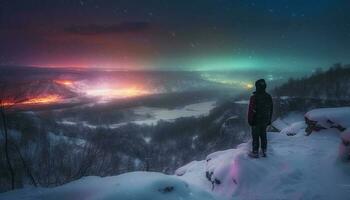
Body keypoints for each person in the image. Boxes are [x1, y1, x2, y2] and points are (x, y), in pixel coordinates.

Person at [248, 79, 273, 158]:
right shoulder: (268, 96)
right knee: (263, 135)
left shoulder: (254, 97)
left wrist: (250, 120)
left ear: (257, 86)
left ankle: (255, 152)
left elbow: (251, 110)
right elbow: (271, 109)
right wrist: (269, 120)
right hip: (265, 120)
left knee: (255, 136)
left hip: (256, 120)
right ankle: (264, 151)